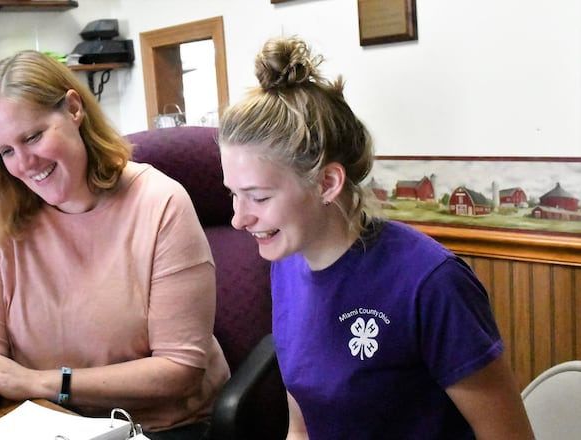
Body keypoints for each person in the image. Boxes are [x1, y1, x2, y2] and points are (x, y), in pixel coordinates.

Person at [0, 50, 229, 440]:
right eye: (6, 151)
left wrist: (40, 382)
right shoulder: (1, 219)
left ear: (72, 109)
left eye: (32, 137)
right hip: (50, 424)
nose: (25, 164)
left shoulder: (160, 203)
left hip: (158, 428)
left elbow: (179, 370)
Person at [218, 36, 534, 439]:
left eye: (258, 197)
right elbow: (301, 426)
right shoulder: (287, 266)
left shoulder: (430, 282)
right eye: (233, 194)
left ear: (328, 183)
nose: (238, 219)